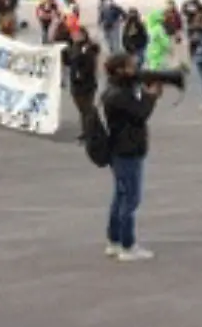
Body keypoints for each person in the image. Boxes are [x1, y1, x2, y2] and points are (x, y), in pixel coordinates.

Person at [102, 55, 162, 261]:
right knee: (130, 198)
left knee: (120, 196)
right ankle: (128, 246)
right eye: (131, 67)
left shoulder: (115, 90)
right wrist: (151, 96)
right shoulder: (119, 95)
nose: (135, 70)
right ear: (120, 70)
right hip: (127, 150)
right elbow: (140, 114)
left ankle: (114, 240)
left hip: (122, 149)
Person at [64, 25, 102, 135]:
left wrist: (81, 54)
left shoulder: (89, 47)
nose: (75, 36)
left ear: (84, 35)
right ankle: (87, 130)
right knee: (82, 109)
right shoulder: (72, 47)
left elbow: (89, 61)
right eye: (73, 34)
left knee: (87, 108)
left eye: (77, 34)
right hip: (75, 82)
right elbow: (69, 62)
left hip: (87, 82)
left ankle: (89, 131)